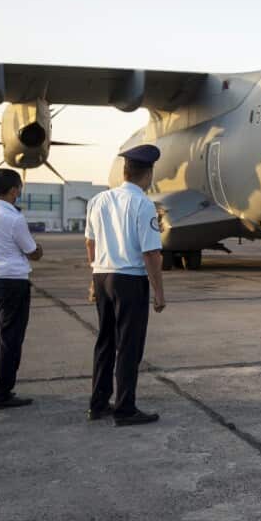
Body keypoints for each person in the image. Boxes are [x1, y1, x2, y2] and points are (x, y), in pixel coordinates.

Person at [85, 144, 167, 426]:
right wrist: (159, 293)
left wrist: (93, 279)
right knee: (129, 346)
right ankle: (125, 409)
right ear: (149, 174)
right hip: (129, 280)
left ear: (125, 172)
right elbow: (151, 253)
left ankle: (98, 403)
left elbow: (90, 243)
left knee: (105, 342)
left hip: (102, 276)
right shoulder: (143, 204)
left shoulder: (98, 200)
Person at [0, 168, 42, 409]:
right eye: (19, 189)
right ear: (13, 190)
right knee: (11, 340)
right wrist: (38, 250)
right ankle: (2, 393)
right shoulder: (14, 218)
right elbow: (32, 251)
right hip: (13, 283)